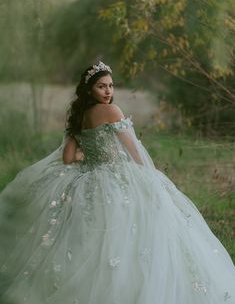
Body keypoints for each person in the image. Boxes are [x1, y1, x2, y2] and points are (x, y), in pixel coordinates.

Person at [0, 61, 234, 304]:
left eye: (111, 86)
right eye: (101, 86)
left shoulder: (79, 116)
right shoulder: (113, 111)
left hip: (87, 176)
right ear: (89, 89)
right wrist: (149, 175)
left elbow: (68, 158)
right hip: (115, 174)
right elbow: (134, 149)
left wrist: (86, 155)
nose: (108, 91)